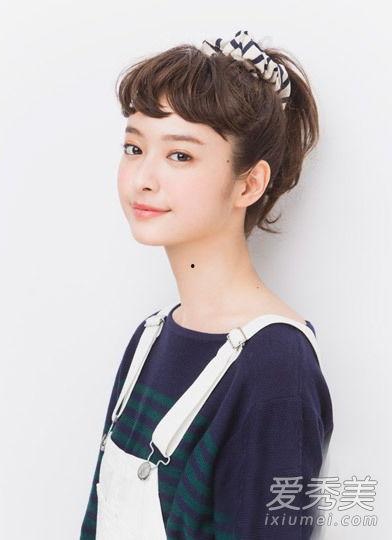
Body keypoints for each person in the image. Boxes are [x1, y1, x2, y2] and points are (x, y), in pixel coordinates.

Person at [80, 29, 334, 539]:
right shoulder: (150, 338)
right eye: (134, 147)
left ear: (249, 183)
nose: (143, 177)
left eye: (180, 155)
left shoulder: (276, 366)